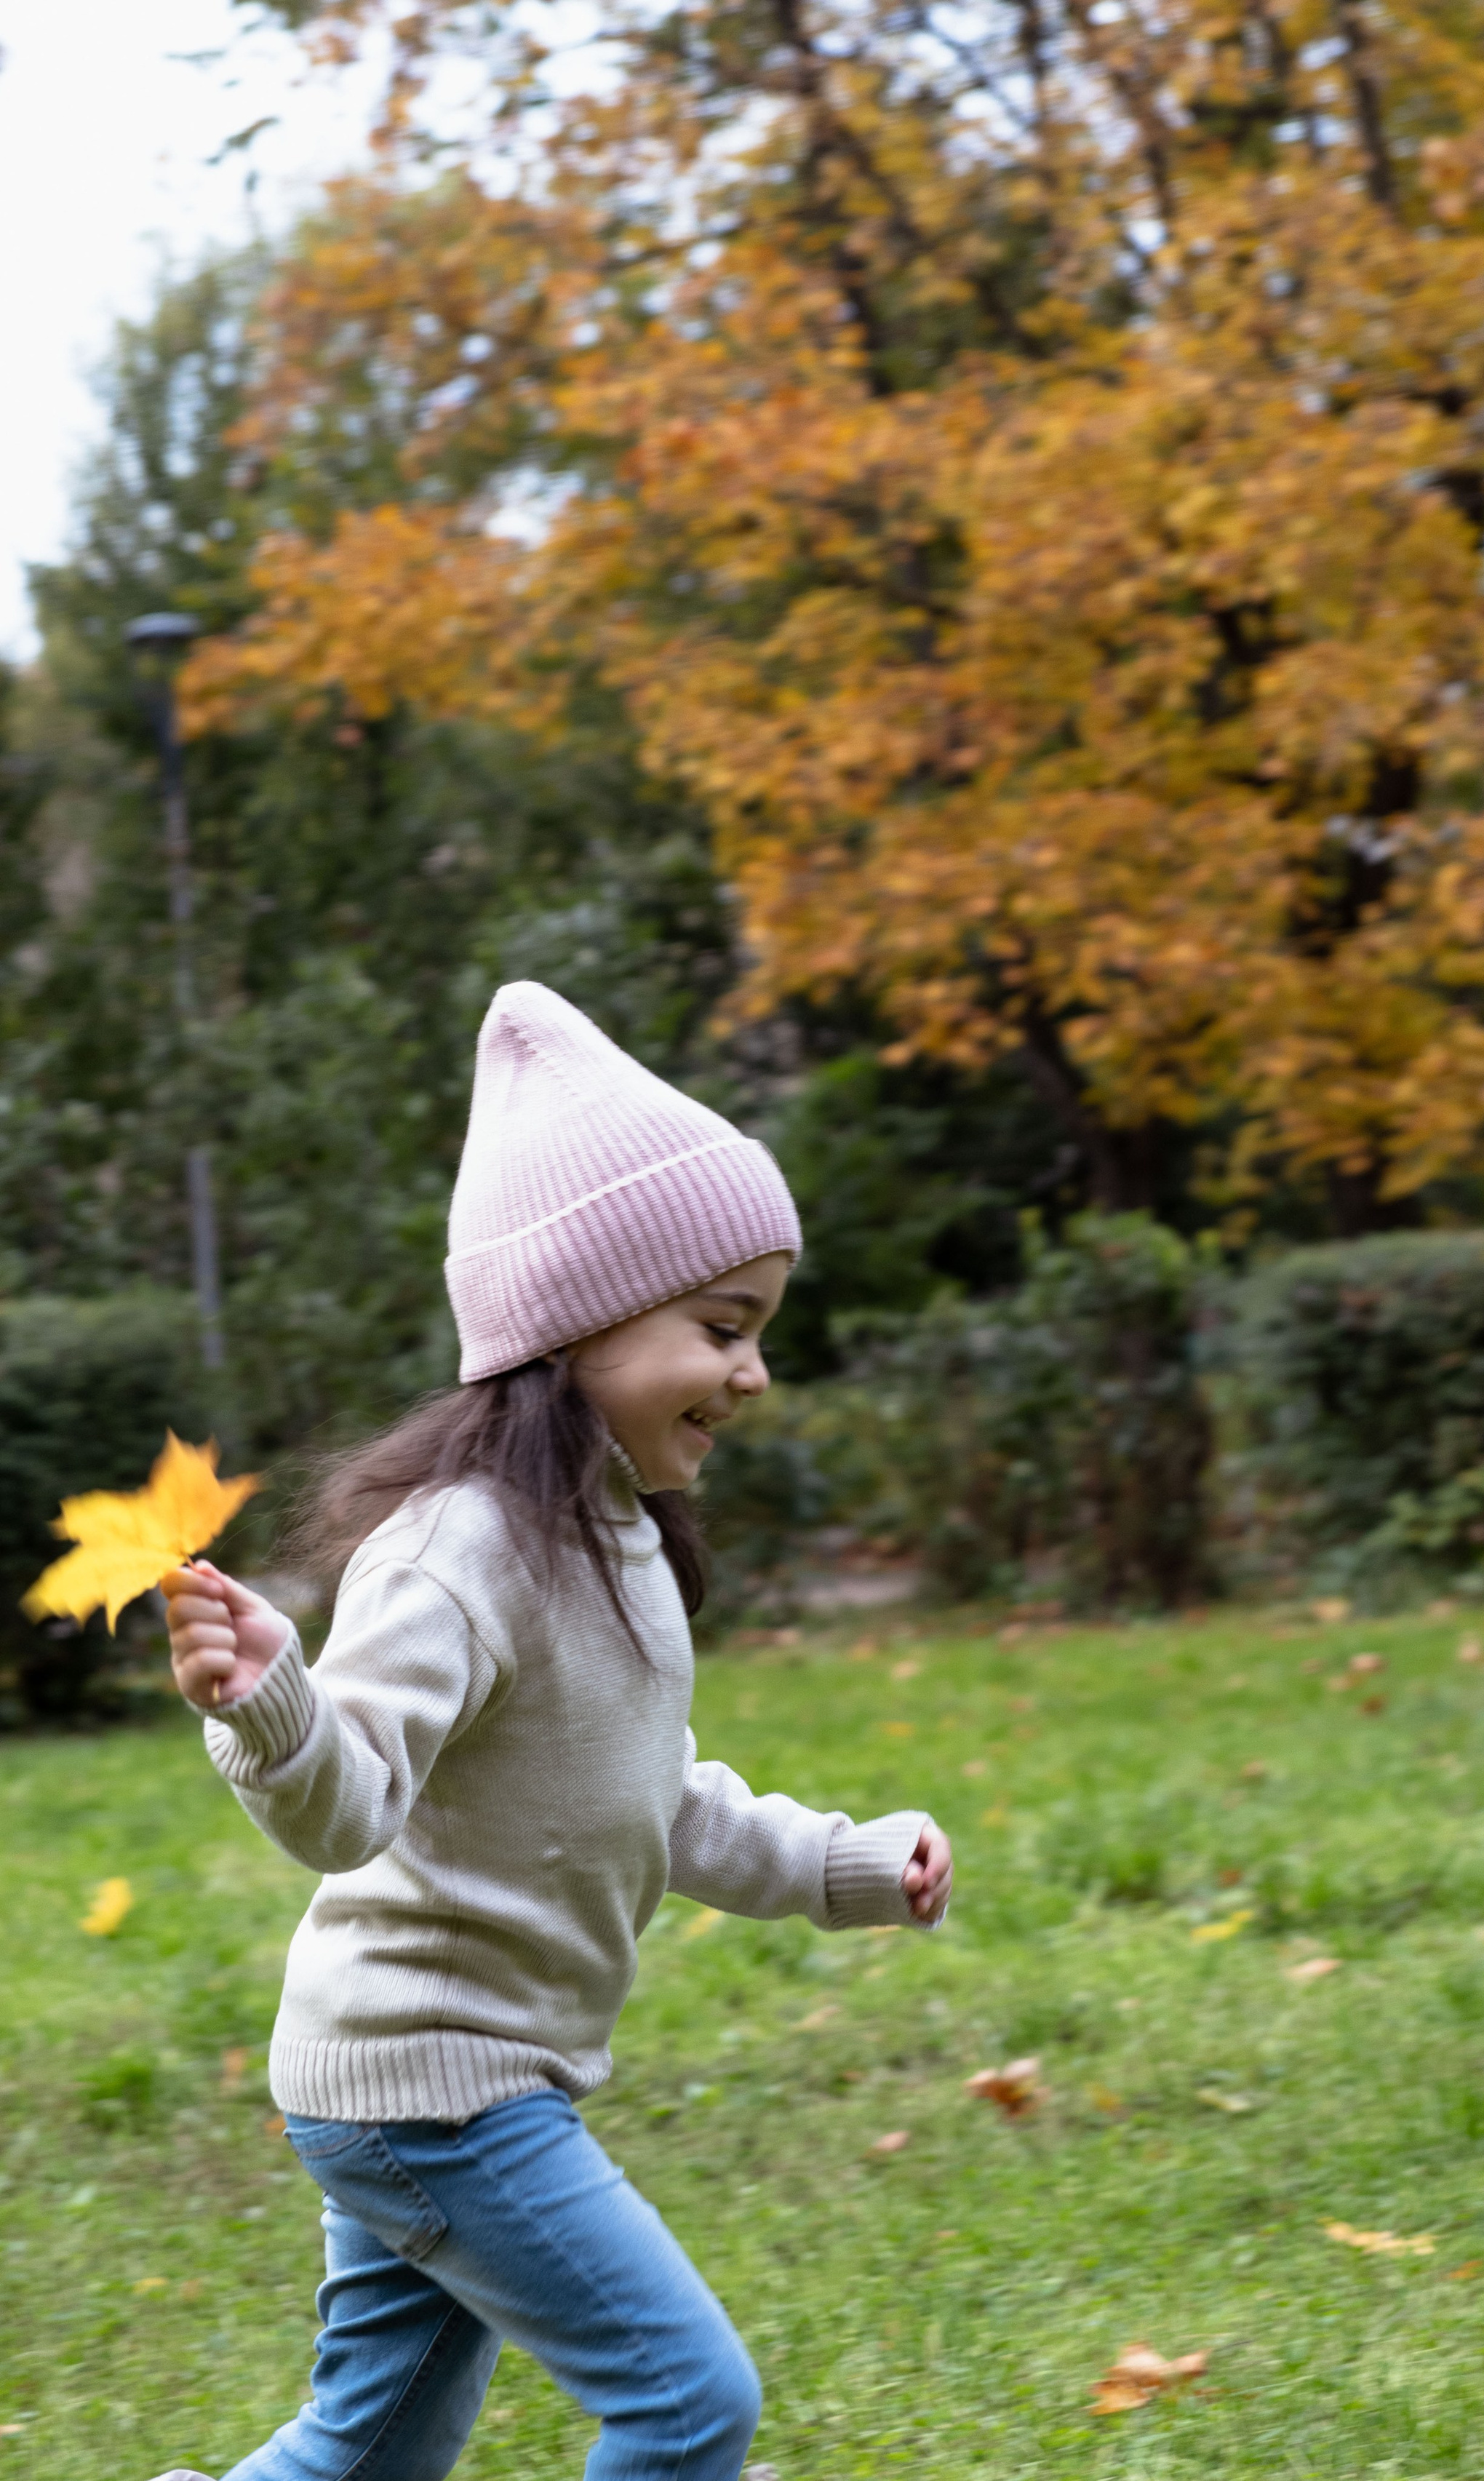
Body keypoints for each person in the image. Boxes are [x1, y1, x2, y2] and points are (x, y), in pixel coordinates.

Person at [151, 981, 952, 2481]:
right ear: (580, 1319)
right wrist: (272, 1699)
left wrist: (847, 1861)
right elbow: (345, 1809)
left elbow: (661, 1798)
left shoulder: (614, 1540)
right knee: (688, 2402)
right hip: (430, 2083)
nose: (753, 1372)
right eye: (723, 1325)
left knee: (377, 2443)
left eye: (757, 1330)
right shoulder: (458, 1549)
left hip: (440, 2079)